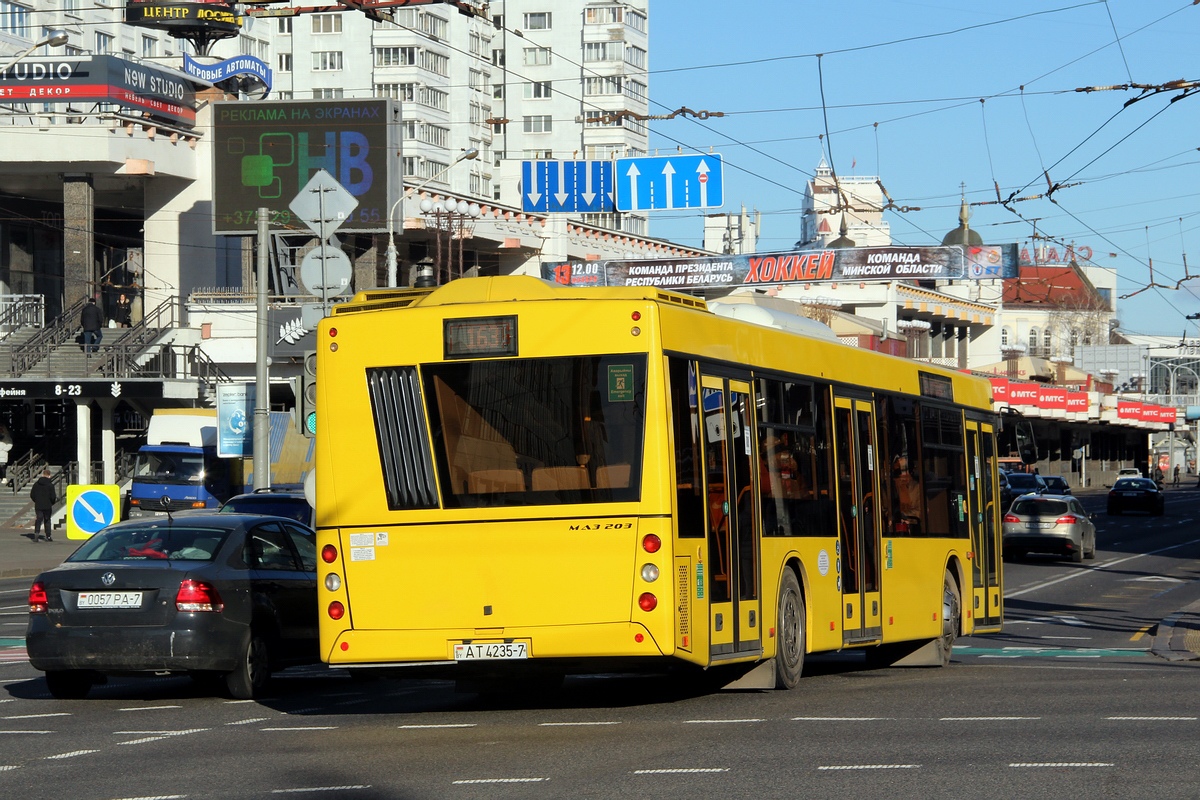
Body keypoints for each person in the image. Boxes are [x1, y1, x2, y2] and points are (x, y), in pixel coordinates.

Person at [30, 468, 55, 542]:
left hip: (38, 505)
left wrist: (37, 500)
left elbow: (32, 495)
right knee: (47, 520)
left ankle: (36, 533)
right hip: (47, 505)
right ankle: (48, 535)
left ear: (42, 475)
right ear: (49, 476)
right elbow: (53, 496)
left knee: (38, 519)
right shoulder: (50, 485)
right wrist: (51, 502)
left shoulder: (36, 484)